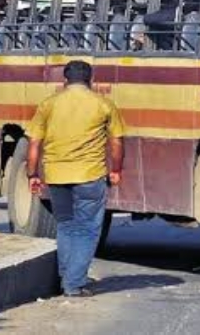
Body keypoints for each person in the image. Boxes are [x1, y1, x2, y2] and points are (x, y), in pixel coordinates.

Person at [26, 61, 126, 298]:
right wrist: (117, 170)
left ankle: (66, 277)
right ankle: (74, 283)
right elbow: (117, 142)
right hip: (90, 175)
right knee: (88, 229)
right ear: (91, 80)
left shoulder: (49, 104)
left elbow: (34, 144)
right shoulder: (103, 104)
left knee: (66, 225)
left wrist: (32, 174)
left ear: (65, 80)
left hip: (57, 176)